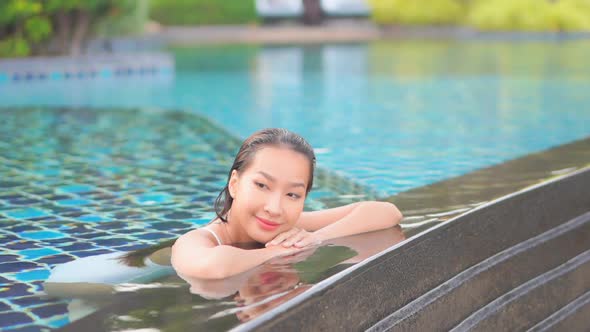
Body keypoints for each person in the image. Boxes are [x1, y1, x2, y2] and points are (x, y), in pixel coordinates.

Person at [171, 128, 403, 280]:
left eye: (292, 194)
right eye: (262, 185)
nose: (275, 208)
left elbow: (386, 212)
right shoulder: (197, 240)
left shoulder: (288, 224)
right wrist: (278, 253)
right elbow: (213, 267)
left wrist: (315, 238)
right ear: (234, 183)